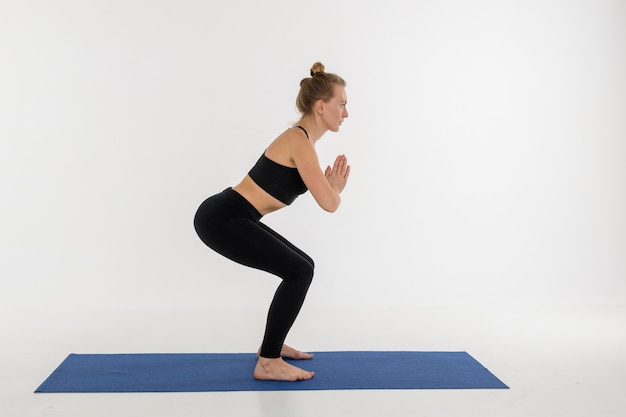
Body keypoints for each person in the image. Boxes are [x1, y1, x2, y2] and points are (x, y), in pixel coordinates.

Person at [193, 62, 350, 382]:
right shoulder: (299, 142)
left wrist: (330, 190)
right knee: (300, 271)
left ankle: (272, 345)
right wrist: (333, 190)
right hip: (223, 217)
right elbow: (329, 203)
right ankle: (268, 361)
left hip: (234, 215)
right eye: (342, 104)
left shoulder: (303, 143)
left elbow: (326, 199)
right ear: (321, 106)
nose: (345, 113)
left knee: (302, 265)